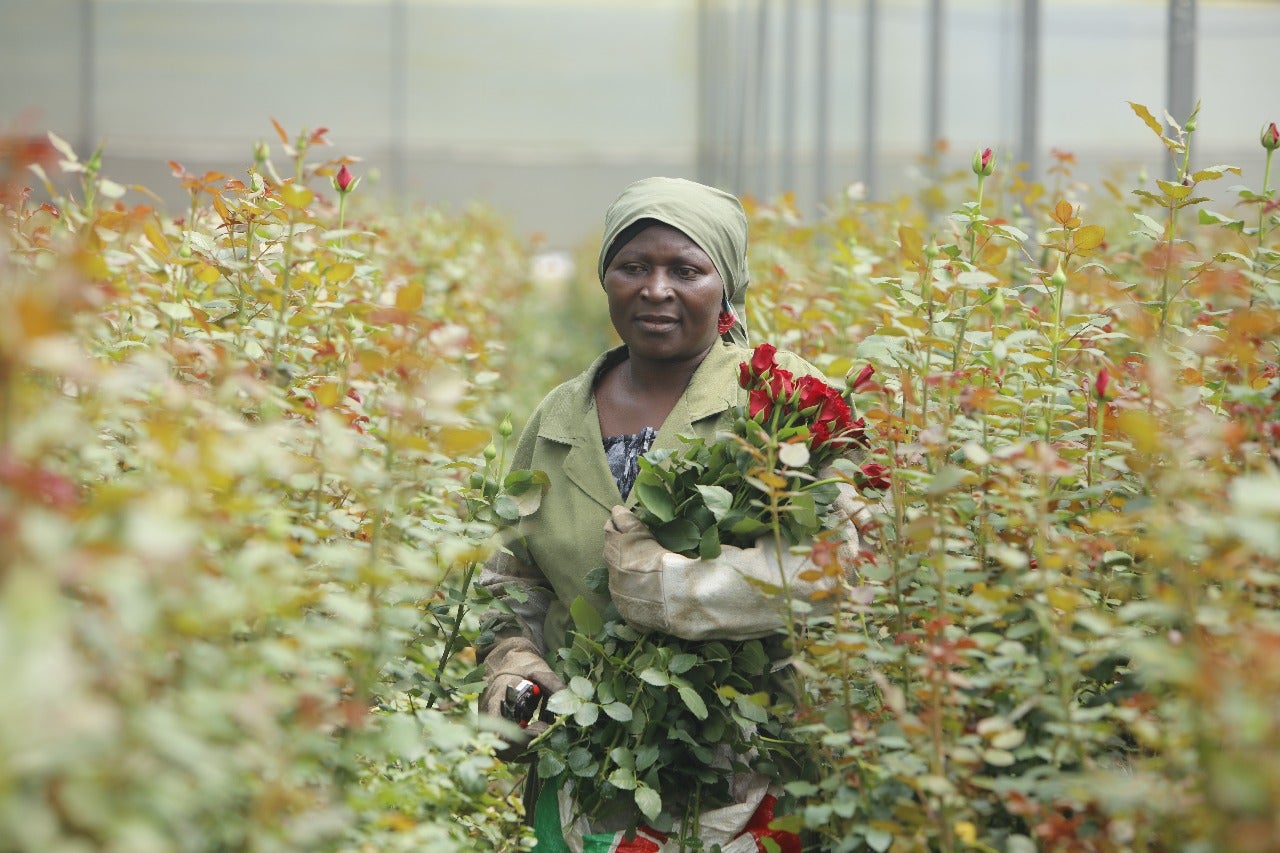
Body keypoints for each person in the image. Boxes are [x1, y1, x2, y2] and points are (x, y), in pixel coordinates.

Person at [476, 177, 869, 851]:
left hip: (751, 785)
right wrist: (513, 666)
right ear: (606, 278)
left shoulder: (784, 401)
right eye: (633, 267)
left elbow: (848, 563)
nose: (656, 290)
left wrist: (679, 590)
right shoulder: (559, 418)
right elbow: (513, 577)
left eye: (685, 270)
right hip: (587, 782)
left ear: (725, 286)